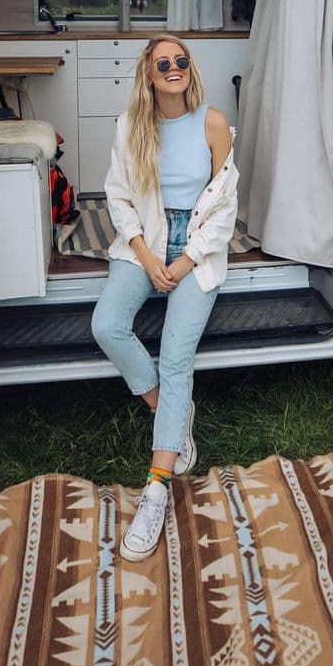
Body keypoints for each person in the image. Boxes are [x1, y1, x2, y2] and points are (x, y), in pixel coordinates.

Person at [91, 36, 238, 561]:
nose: (174, 68)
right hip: (145, 242)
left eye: (181, 61)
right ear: (149, 76)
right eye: (163, 64)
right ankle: (172, 413)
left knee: (176, 357)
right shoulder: (131, 126)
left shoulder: (213, 123)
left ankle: (156, 488)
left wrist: (185, 261)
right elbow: (118, 196)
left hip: (197, 247)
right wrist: (145, 254)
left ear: (188, 69)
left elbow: (224, 206)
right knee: (107, 325)